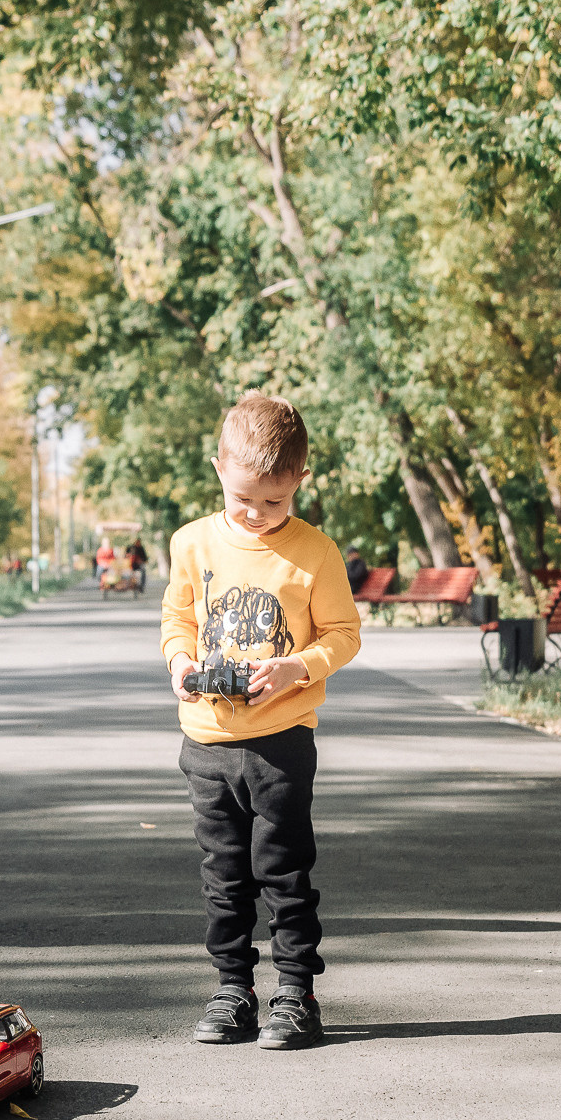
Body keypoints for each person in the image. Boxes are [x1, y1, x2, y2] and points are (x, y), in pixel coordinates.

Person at [160, 394, 363, 1050]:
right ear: (219, 466)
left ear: (299, 480)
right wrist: (179, 659)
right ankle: (232, 990)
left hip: (280, 747)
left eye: (272, 503)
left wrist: (297, 668)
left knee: (284, 874)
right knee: (224, 879)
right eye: (244, 498)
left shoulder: (315, 553)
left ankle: (297, 994)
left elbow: (343, 634)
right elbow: (178, 618)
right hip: (208, 743)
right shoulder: (191, 542)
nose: (256, 515)